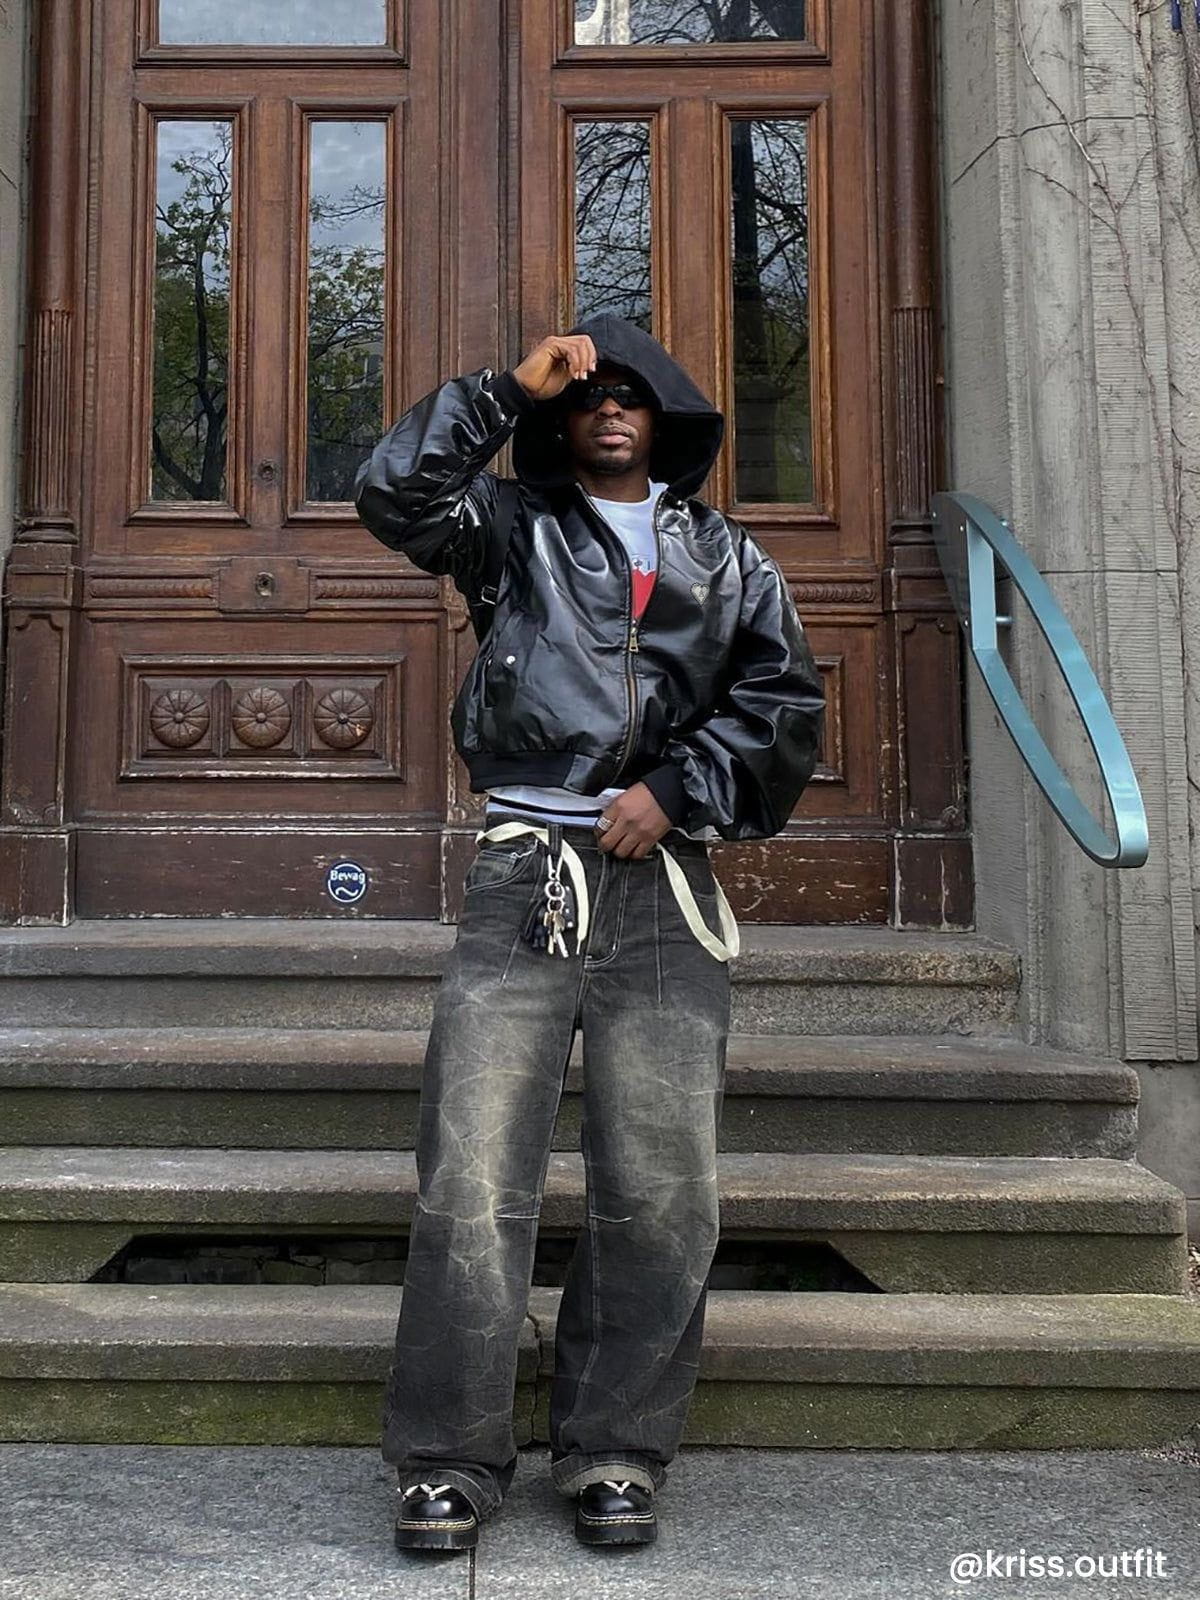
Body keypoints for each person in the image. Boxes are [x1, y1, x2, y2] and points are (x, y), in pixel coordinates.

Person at [353, 313, 825, 1554]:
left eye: (630, 392)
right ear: (562, 421)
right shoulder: (511, 531)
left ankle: (616, 1448)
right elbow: (396, 494)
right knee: (471, 1172)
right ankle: (448, 1458)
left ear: (664, 418)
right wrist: (509, 388)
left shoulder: (726, 556)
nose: (608, 406)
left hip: (661, 887)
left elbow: (783, 699)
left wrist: (677, 787)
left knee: (661, 1184)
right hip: (525, 875)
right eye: (587, 394)